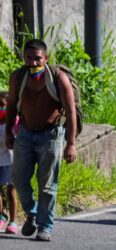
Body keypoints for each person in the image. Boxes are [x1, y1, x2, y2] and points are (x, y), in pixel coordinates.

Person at [5, 39, 77, 241]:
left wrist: (71, 143)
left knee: (47, 184)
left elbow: (71, 111)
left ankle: (45, 226)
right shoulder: (18, 77)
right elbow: (11, 105)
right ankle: (33, 213)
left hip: (51, 135)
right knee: (18, 178)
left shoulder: (58, 78)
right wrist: (8, 133)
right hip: (25, 134)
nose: (33, 62)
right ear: (24, 58)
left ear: (46, 58)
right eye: (29, 57)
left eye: (37, 58)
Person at [0, 92, 18, 234]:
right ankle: (1, 217)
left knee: (11, 190)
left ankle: (12, 221)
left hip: (11, 160)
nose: (1, 109)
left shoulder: (14, 123)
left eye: (3, 106)